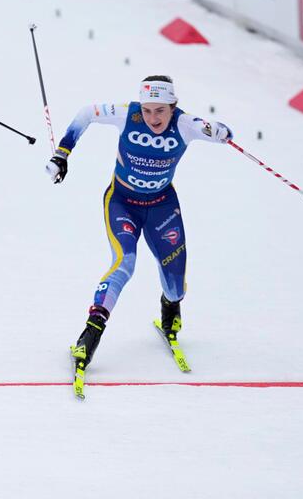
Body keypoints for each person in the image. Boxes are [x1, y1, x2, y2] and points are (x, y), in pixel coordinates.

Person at [47, 76, 233, 371]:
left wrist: (220, 131)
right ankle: (90, 335)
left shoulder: (184, 124)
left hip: (162, 206)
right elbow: (87, 113)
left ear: (173, 107)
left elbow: (213, 130)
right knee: (124, 263)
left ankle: (170, 309)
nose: (152, 118)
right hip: (122, 203)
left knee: (176, 287)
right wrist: (62, 153)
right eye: (147, 110)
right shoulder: (127, 114)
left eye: (160, 111)